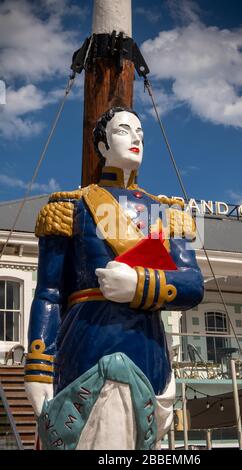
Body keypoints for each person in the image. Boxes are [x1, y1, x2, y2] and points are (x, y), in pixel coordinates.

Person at [25, 107, 204, 450]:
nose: (137, 138)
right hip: (84, 347)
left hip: (148, 350)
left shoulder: (169, 213)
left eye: (140, 133)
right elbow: (48, 293)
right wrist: (37, 366)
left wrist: (139, 285)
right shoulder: (71, 207)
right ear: (102, 145)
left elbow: (193, 285)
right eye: (124, 130)